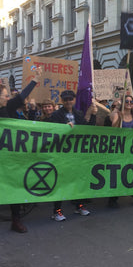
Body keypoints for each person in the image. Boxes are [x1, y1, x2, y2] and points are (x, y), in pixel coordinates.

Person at [0, 66, 43, 234]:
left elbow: (22, 96)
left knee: (15, 186)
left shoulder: (9, 108)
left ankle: (15, 220)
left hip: (11, 157)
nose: (8, 98)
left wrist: (35, 79)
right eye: (6, 95)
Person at [48, 90, 98, 220]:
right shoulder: (56, 115)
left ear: (74, 100)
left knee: (78, 180)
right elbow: (52, 131)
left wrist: (93, 116)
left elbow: (87, 129)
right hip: (63, 154)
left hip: (77, 153)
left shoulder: (79, 114)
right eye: (65, 99)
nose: (68, 102)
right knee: (60, 182)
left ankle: (79, 206)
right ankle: (57, 210)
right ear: (62, 101)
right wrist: (63, 128)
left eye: (70, 99)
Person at [108, 95, 133, 207]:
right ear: (123, 103)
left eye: (131, 101)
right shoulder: (116, 113)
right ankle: (113, 197)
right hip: (120, 148)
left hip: (132, 149)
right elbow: (113, 128)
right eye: (127, 101)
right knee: (118, 172)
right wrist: (120, 118)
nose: (129, 103)